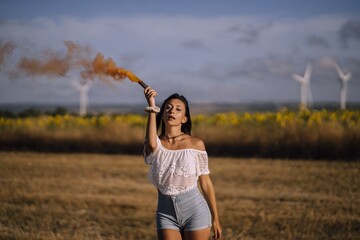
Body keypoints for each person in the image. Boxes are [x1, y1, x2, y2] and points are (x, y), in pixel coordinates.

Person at [143, 87, 222, 240]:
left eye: (178, 109)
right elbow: (152, 145)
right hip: (165, 213)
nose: (172, 111)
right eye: (168, 107)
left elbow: (205, 183)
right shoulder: (156, 143)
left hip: (195, 210)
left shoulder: (196, 144)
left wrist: (215, 218)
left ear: (184, 118)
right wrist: (152, 107)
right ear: (162, 113)